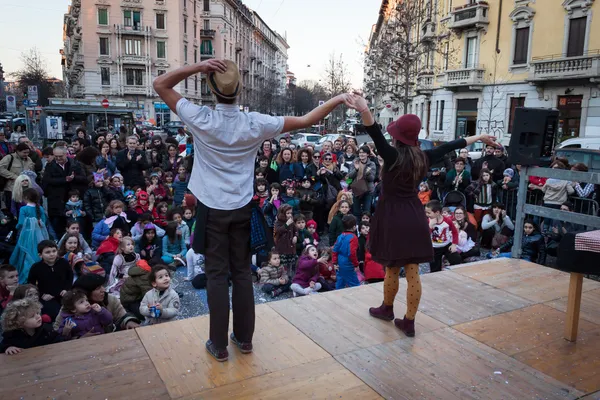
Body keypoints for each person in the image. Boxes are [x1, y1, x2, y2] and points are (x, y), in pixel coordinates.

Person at [153, 58, 349, 361]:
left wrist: (198, 67)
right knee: (242, 273)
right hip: (242, 207)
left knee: (217, 275)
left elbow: (160, 84)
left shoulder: (200, 117)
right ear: (240, 91)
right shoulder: (254, 122)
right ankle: (244, 340)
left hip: (211, 208)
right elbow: (309, 119)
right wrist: (337, 98)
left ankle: (218, 345)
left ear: (212, 89)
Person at [343, 93, 497, 337]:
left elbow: (373, 131)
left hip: (392, 216)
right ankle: (409, 321)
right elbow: (454, 144)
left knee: (392, 267)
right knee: (412, 269)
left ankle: (387, 308)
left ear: (397, 137)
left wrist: (363, 108)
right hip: (414, 215)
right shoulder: (424, 157)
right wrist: (480, 137)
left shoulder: (392, 156)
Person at [42, 147, 87, 236]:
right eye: (56, 156)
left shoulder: (74, 164)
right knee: (57, 224)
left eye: (60, 156)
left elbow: (83, 178)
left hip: (72, 200)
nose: (58, 158)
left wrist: (74, 178)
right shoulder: (50, 166)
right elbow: (47, 181)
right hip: (56, 200)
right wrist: (64, 180)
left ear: (66, 154)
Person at [11, 188, 50, 283]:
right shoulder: (40, 208)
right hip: (40, 235)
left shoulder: (23, 209)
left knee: (26, 254)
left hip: (27, 235)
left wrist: (15, 227)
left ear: (26, 198)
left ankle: (27, 275)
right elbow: (44, 221)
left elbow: (21, 223)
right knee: (38, 251)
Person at [27, 240, 73, 321]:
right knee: (55, 314)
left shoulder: (63, 263)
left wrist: (66, 289)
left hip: (63, 294)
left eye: (54, 251)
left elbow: (70, 277)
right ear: (40, 255)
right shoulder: (36, 267)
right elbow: (31, 284)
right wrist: (41, 295)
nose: (52, 254)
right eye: (47, 252)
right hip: (47, 297)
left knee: (73, 309)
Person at [425, 200, 462, 273]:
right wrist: (430, 226)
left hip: (446, 245)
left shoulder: (447, 220)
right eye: (426, 212)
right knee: (435, 269)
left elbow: (455, 232)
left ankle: (451, 272)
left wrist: (454, 244)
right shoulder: (428, 221)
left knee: (456, 259)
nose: (427, 214)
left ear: (437, 212)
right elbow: (424, 236)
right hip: (434, 247)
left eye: (429, 213)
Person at [0, 142, 34, 207]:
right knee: (11, 208)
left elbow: (31, 169)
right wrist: (15, 177)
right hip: (11, 188)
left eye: (27, 153)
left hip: (25, 189)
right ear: (18, 151)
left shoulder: (28, 159)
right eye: (24, 152)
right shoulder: (9, 158)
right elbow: (1, 168)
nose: (26, 154)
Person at [332, 215, 360, 289]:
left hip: (339, 261)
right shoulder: (353, 237)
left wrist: (335, 262)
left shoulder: (340, 236)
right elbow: (351, 253)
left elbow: (335, 250)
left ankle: (337, 298)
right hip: (347, 262)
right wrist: (356, 264)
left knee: (340, 283)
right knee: (354, 284)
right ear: (354, 227)